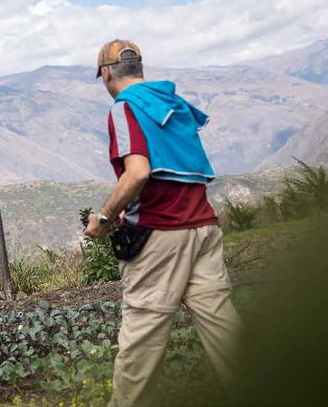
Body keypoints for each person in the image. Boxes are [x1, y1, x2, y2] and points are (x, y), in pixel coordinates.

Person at [84, 39, 242, 406]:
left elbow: (138, 172)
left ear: (107, 74)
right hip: (203, 228)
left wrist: (104, 218)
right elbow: (179, 172)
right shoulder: (173, 103)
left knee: (141, 338)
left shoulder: (123, 108)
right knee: (223, 327)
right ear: (139, 69)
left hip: (160, 237)